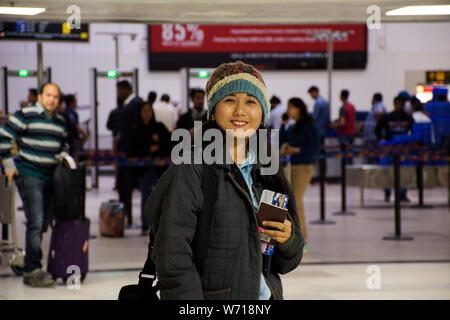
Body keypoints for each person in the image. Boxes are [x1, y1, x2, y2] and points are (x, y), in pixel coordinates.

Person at [146, 61, 303, 300]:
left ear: (262, 113)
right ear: (213, 110)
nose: (240, 111)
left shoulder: (267, 170)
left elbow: (283, 263)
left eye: (251, 101)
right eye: (229, 100)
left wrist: (288, 239)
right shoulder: (194, 167)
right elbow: (172, 256)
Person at [0, 83, 68, 288]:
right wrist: (9, 164)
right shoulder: (25, 114)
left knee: (42, 223)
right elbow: (3, 136)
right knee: (36, 221)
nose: (52, 99)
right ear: (39, 96)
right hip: (29, 175)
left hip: (50, 177)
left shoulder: (59, 121)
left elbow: (63, 144)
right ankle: (33, 270)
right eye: (48, 95)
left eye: (55, 96)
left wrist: (64, 154)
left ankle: (27, 261)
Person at [280, 97, 320, 254]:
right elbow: (283, 140)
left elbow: (315, 147)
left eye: (290, 107)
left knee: (296, 201)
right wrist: (283, 124)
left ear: (299, 108)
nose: (288, 110)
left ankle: (303, 239)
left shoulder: (310, 125)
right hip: (292, 166)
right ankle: (298, 237)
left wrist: (296, 150)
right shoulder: (294, 126)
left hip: (303, 166)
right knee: (293, 201)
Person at [129, 102, 171, 236]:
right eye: (144, 111)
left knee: (162, 198)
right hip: (144, 170)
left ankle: (161, 225)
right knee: (146, 198)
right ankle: (144, 224)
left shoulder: (158, 127)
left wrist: (159, 143)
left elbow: (170, 141)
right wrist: (148, 149)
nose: (147, 114)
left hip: (159, 170)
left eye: (149, 111)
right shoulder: (136, 129)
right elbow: (132, 150)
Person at [116, 80, 144, 227]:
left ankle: (129, 218)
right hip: (129, 153)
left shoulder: (134, 105)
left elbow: (131, 132)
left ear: (124, 90)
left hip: (130, 154)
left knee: (127, 186)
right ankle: (127, 217)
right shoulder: (133, 104)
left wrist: (127, 151)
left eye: (119, 90)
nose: (118, 94)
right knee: (126, 186)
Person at [375, 96, 414, 202]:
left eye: (400, 104)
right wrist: (381, 138)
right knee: (387, 171)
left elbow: (414, 130)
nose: (398, 106)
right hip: (389, 149)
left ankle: (402, 193)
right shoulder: (388, 117)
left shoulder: (408, 117)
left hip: (403, 150)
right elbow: (377, 129)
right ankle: (387, 192)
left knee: (404, 172)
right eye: (397, 104)